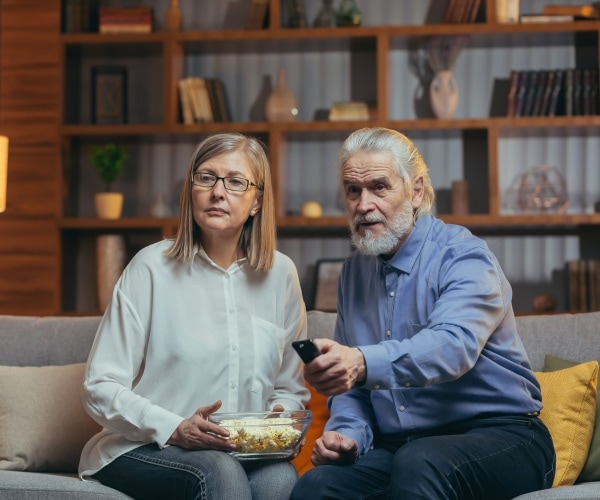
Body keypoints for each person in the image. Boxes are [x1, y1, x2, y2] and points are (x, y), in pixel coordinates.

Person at [291, 127, 555, 500]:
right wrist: (347, 433)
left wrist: (362, 362)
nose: (363, 205)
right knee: (317, 486)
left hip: (505, 436)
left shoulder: (464, 255)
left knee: (420, 461)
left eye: (379, 187)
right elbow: (353, 388)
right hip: (403, 447)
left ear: (415, 192)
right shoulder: (353, 272)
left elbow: (452, 346)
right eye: (353, 190)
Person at [79, 133, 309, 500]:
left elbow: (289, 388)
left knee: (280, 479)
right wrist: (175, 427)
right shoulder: (150, 267)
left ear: (257, 201)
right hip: (146, 448)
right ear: (192, 190)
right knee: (220, 472)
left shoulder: (281, 274)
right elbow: (99, 387)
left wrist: (278, 432)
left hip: (242, 452)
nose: (218, 192)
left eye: (235, 182)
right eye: (206, 177)